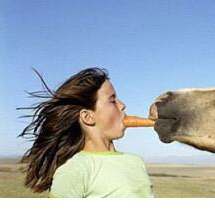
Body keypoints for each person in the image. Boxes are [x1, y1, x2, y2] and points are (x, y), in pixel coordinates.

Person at [18, 68, 154, 198]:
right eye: (112, 100)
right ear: (88, 117)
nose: (123, 105)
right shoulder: (75, 169)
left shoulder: (136, 161)